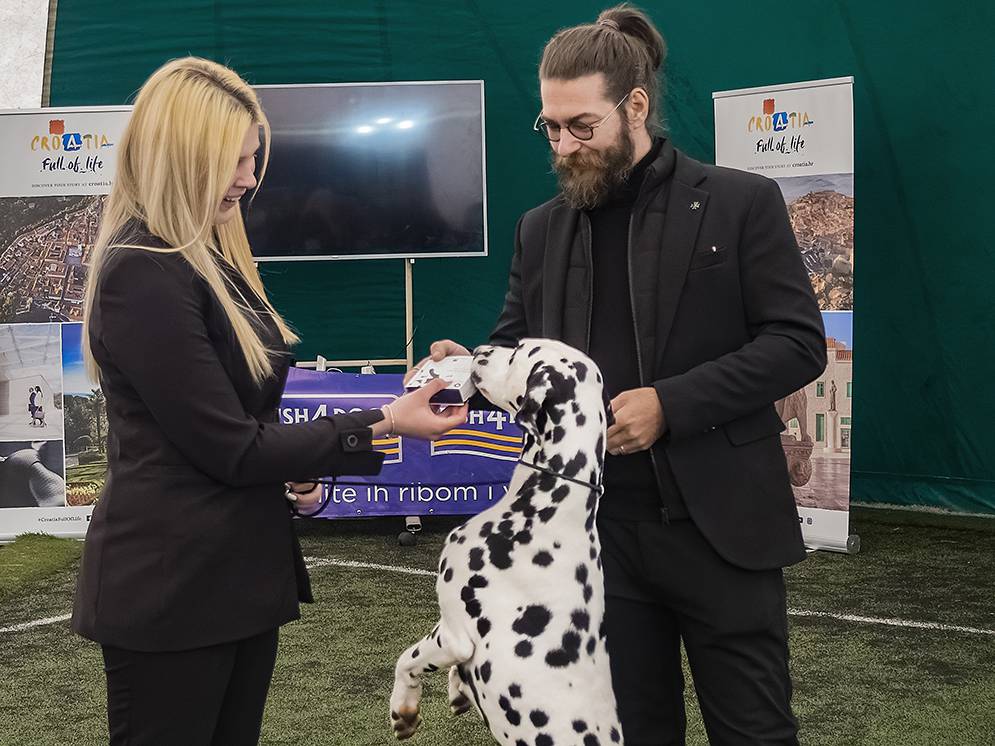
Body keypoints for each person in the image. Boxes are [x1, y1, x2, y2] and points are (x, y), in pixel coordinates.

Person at [418, 5, 827, 744]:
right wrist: (470, 368)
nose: (564, 144)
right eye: (550, 127)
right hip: (591, 538)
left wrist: (671, 404)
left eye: (581, 125)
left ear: (634, 106)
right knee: (631, 732)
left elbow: (797, 344)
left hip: (721, 529)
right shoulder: (540, 228)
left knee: (756, 731)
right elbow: (517, 347)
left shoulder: (738, 203)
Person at [70, 57, 467, 746]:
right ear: (183, 156)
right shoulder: (143, 272)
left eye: (252, 160)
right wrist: (383, 422)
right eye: (236, 161)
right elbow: (229, 446)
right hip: (171, 595)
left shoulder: (204, 258)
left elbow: (241, 419)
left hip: (230, 584)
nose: (249, 180)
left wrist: (302, 469)